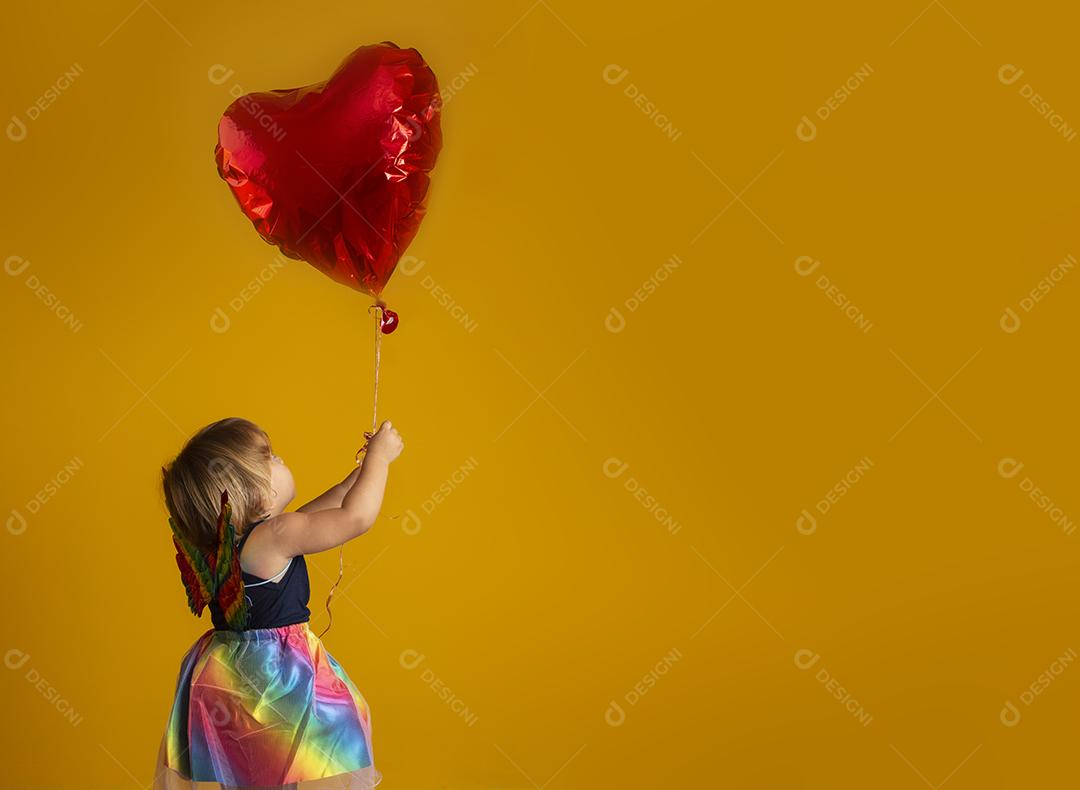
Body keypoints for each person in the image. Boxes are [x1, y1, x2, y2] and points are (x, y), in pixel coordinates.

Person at [153, 416, 403, 789]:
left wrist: (361, 472)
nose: (282, 460)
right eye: (272, 458)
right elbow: (355, 517)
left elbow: (330, 506)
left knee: (258, 772)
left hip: (233, 677)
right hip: (277, 678)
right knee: (324, 743)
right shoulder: (276, 535)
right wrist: (380, 459)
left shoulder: (241, 543)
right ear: (254, 492)